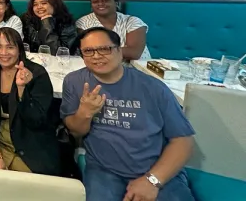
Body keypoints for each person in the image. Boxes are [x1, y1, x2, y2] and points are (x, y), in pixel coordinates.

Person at [61, 27, 195, 201]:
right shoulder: (75, 82)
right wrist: (84, 113)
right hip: (104, 171)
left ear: (119, 51)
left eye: (104, 49)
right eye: (88, 51)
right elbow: (75, 132)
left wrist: (152, 181)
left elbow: (183, 141)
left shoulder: (153, 87)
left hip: (155, 169)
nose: (96, 56)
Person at [0, 27, 59, 175]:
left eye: (10, 47)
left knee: (25, 183)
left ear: (19, 49)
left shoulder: (37, 73)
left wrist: (22, 89)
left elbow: (37, 120)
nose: (4, 53)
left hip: (29, 138)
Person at [76, 0, 151, 61]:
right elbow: (85, 50)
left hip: (138, 65)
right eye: (95, 2)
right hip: (101, 64)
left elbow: (134, 53)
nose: (100, 4)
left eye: (106, 1)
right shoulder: (83, 23)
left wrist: (99, 50)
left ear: (116, 3)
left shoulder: (133, 21)